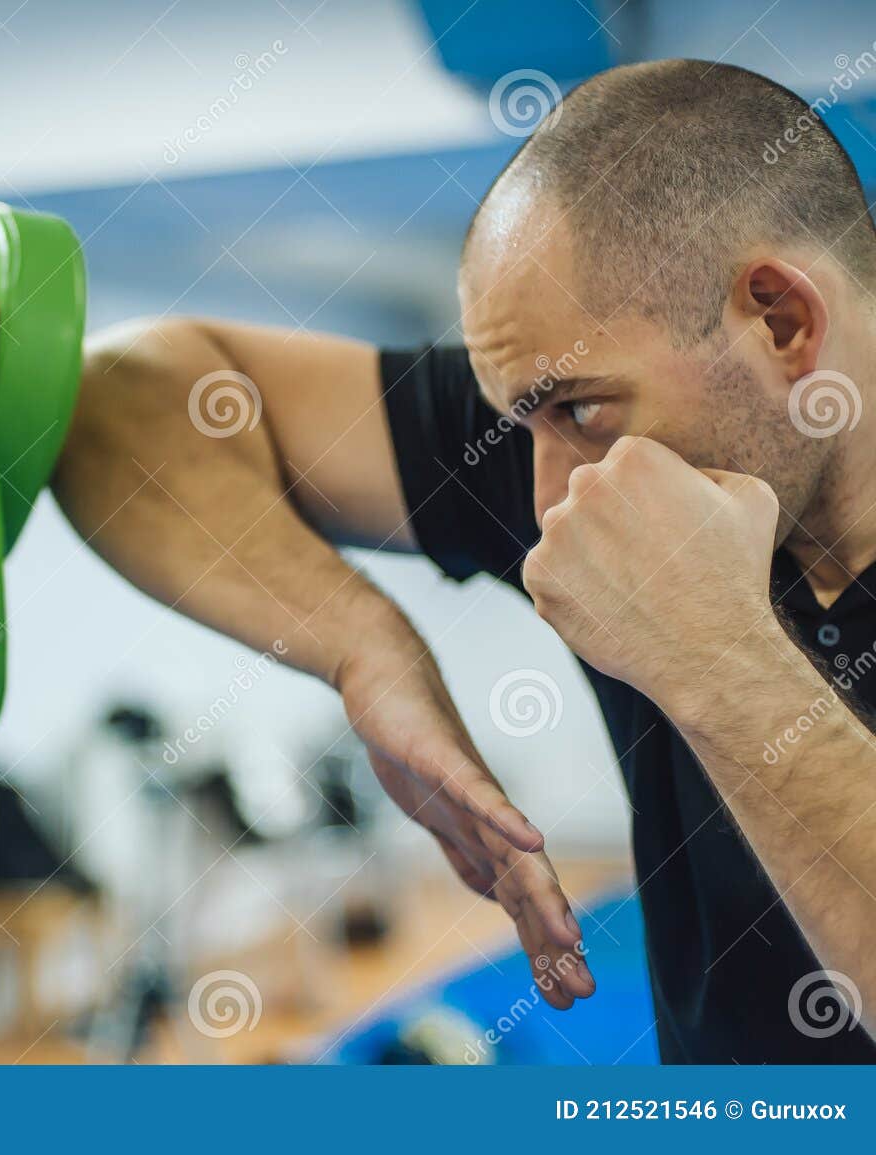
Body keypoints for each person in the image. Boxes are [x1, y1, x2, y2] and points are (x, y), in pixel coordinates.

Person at [60, 59, 876, 1062]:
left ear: (781, 322)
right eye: (522, 421)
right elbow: (116, 400)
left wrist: (716, 655)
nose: (546, 502)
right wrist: (366, 657)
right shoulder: (573, 443)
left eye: (580, 410)